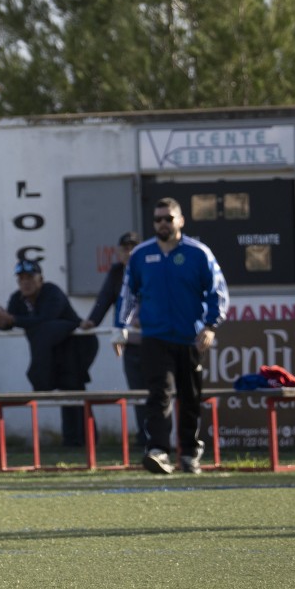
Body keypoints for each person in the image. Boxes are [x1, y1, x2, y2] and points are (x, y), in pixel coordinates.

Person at [118, 197, 229, 475]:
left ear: (181, 220)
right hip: (154, 337)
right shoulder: (141, 255)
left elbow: (218, 291)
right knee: (159, 394)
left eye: (168, 218)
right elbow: (128, 293)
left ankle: (190, 453)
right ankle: (158, 451)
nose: (163, 224)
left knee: (190, 397)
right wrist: (120, 327)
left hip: (189, 337)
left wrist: (210, 325)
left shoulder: (198, 253)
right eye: (158, 219)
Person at [0, 259, 99, 447]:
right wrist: (2, 323)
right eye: (21, 278)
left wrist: (12, 319)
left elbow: (45, 319)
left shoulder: (52, 292)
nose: (26, 282)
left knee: (74, 390)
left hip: (74, 347)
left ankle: (87, 440)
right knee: (65, 393)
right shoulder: (18, 298)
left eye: (30, 277)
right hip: (51, 351)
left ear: (41, 279)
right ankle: (71, 441)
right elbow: (15, 320)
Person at [79, 231, 146, 444]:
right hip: (131, 343)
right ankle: (145, 439)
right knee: (137, 393)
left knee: (158, 393)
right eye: (125, 248)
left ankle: (162, 439)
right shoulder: (117, 272)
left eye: (134, 248)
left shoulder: (150, 268)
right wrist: (92, 321)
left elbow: (160, 299)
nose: (129, 252)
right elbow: (105, 298)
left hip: (156, 341)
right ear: (119, 252)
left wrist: (146, 318)